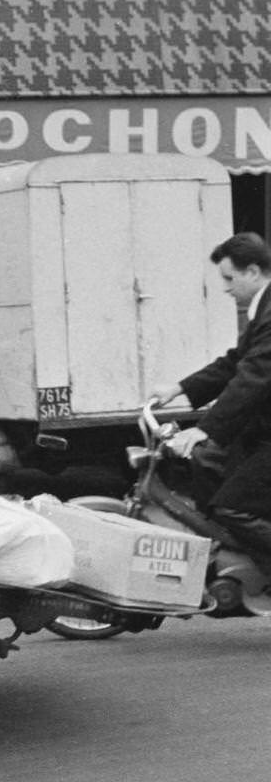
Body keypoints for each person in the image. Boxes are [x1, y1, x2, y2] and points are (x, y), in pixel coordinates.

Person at [150, 232, 271, 564]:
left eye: (230, 278)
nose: (226, 287)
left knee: (233, 506)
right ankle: (238, 558)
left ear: (253, 272)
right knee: (206, 463)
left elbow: (255, 375)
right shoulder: (263, 308)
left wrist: (205, 428)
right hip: (260, 430)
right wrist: (179, 388)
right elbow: (235, 362)